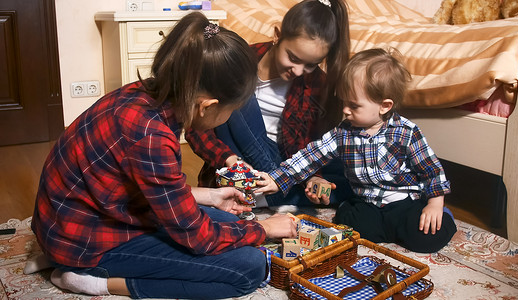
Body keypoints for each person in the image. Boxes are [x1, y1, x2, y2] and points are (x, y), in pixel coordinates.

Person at [30, 13, 297, 299]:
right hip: (83, 241)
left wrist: (210, 196)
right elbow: (198, 238)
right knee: (250, 267)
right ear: (207, 106)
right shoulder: (151, 136)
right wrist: (264, 228)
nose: (230, 117)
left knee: (232, 225)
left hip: (77, 220)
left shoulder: (145, 96)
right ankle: (92, 281)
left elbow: (149, 184)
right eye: (232, 111)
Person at [256, 48, 457, 253]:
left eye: (354, 105)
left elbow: (431, 170)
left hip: (403, 203)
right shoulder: (343, 133)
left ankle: (441, 215)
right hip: (368, 202)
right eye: (344, 102)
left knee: (428, 236)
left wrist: (435, 203)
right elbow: (311, 155)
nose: (344, 109)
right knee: (349, 226)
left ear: (384, 106)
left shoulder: (406, 132)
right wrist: (278, 179)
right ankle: (355, 212)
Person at [185, 0, 352, 207]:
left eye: (310, 65)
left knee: (347, 173)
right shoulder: (239, 60)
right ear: (277, 35)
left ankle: (270, 194)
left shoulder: (317, 83)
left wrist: (311, 177)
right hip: (238, 162)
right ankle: (273, 195)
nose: (298, 71)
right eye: (293, 58)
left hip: (285, 165)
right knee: (237, 88)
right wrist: (230, 160)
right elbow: (196, 125)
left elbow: (310, 146)